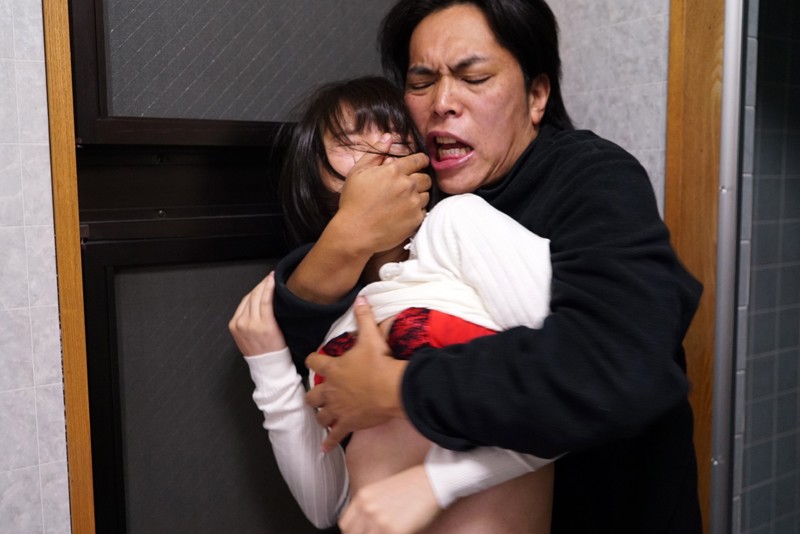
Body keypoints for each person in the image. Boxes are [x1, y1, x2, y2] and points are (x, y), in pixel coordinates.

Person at [271, 2, 705, 533]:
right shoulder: (416, 202)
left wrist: (400, 390)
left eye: (473, 78)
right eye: (421, 82)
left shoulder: (592, 178)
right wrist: (345, 238)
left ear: (537, 96)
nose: (442, 104)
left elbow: (619, 364)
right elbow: (318, 352)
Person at [230, 76, 556, 533]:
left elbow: (571, 388)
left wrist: (435, 484)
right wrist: (270, 370)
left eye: (399, 137)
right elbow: (328, 505)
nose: (383, 147)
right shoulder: (338, 322)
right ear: (315, 176)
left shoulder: (457, 226)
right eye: (351, 141)